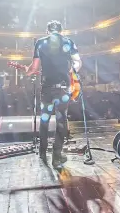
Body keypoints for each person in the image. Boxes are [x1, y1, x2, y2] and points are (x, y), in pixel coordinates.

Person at [25, 20, 82, 169]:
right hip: (63, 89)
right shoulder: (68, 42)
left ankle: (42, 152)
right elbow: (78, 62)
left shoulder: (40, 43)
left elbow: (34, 67)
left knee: (44, 119)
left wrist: (28, 71)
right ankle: (56, 156)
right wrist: (71, 71)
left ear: (47, 31)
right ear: (61, 30)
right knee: (61, 121)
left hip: (47, 89)